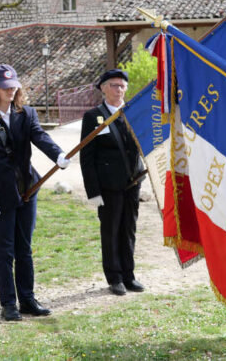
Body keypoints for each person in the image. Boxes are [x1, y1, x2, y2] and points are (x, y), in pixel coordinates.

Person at [0, 64, 70, 321]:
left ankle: (27, 299)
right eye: (5, 87)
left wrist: (58, 154)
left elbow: (40, 137)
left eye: (14, 86)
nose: (11, 90)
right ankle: (8, 303)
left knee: (25, 248)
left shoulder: (27, 113)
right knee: (5, 252)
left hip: (27, 190)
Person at [80, 69, 146, 296]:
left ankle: (129, 275)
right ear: (103, 88)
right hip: (108, 184)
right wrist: (93, 191)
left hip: (132, 182)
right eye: (113, 85)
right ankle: (114, 277)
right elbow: (86, 157)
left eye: (122, 86)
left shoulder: (134, 113)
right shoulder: (93, 116)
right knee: (110, 231)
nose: (118, 90)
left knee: (129, 229)